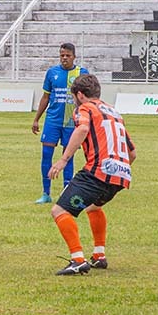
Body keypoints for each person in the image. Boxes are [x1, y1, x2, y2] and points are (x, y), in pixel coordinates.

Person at [49, 74, 136, 276]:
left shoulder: (85, 108)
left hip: (98, 171)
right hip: (121, 175)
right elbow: (132, 153)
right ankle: (99, 255)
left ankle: (78, 260)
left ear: (80, 95)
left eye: (73, 97)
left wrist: (63, 160)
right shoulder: (114, 112)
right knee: (93, 206)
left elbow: (83, 128)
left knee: (59, 211)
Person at [31, 43, 89, 204]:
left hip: (71, 122)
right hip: (52, 120)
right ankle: (46, 193)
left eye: (68, 55)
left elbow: (87, 98)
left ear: (74, 57)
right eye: (62, 55)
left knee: (68, 156)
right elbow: (45, 97)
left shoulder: (82, 73)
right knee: (46, 155)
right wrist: (36, 119)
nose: (64, 58)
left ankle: (65, 192)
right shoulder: (52, 73)